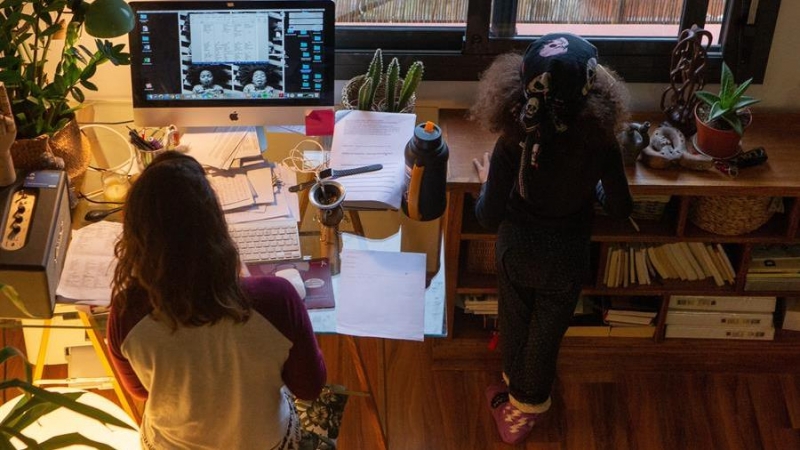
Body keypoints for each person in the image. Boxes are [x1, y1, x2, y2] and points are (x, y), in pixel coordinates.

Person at [470, 33, 633, 445]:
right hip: (566, 257)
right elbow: (620, 208)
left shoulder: (513, 141)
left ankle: (519, 410)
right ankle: (525, 400)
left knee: (515, 323)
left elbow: (488, 216)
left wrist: (488, 182)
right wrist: (592, 189)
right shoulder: (601, 142)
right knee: (545, 337)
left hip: (517, 251)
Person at [107, 152, 326, 449]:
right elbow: (309, 387)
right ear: (215, 225)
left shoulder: (126, 311)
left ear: (136, 237)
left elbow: (140, 392)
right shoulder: (276, 299)